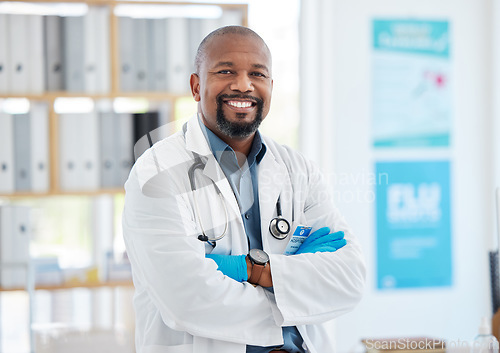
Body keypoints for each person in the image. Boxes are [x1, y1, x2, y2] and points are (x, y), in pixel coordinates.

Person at [122, 25, 366, 353]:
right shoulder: (155, 174)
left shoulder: (298, 170)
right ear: (196, 86)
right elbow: (187, 299)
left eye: (257, 73)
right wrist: (293, 287)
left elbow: (348, 279)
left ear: (270, 86)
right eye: (226, 71)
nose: (243, 85)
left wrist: (250, 270)